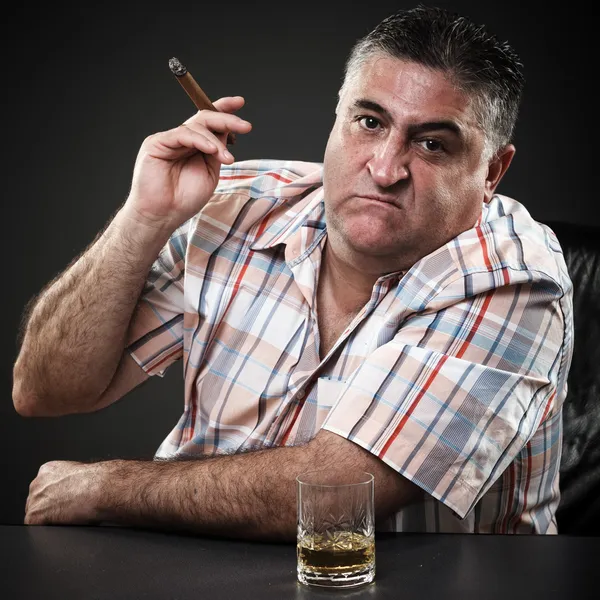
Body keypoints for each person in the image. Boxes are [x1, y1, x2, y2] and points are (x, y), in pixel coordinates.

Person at [13, 5, 573, 537]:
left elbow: (337, 493)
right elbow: (44, 391)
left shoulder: (516, 277)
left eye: (430, 144)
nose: (384, 169)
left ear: (492, 171)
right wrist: (143, 219)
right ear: (337, 118)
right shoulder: (234, 204)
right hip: (194, 571)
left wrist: (108, 489)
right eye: (369, 122)